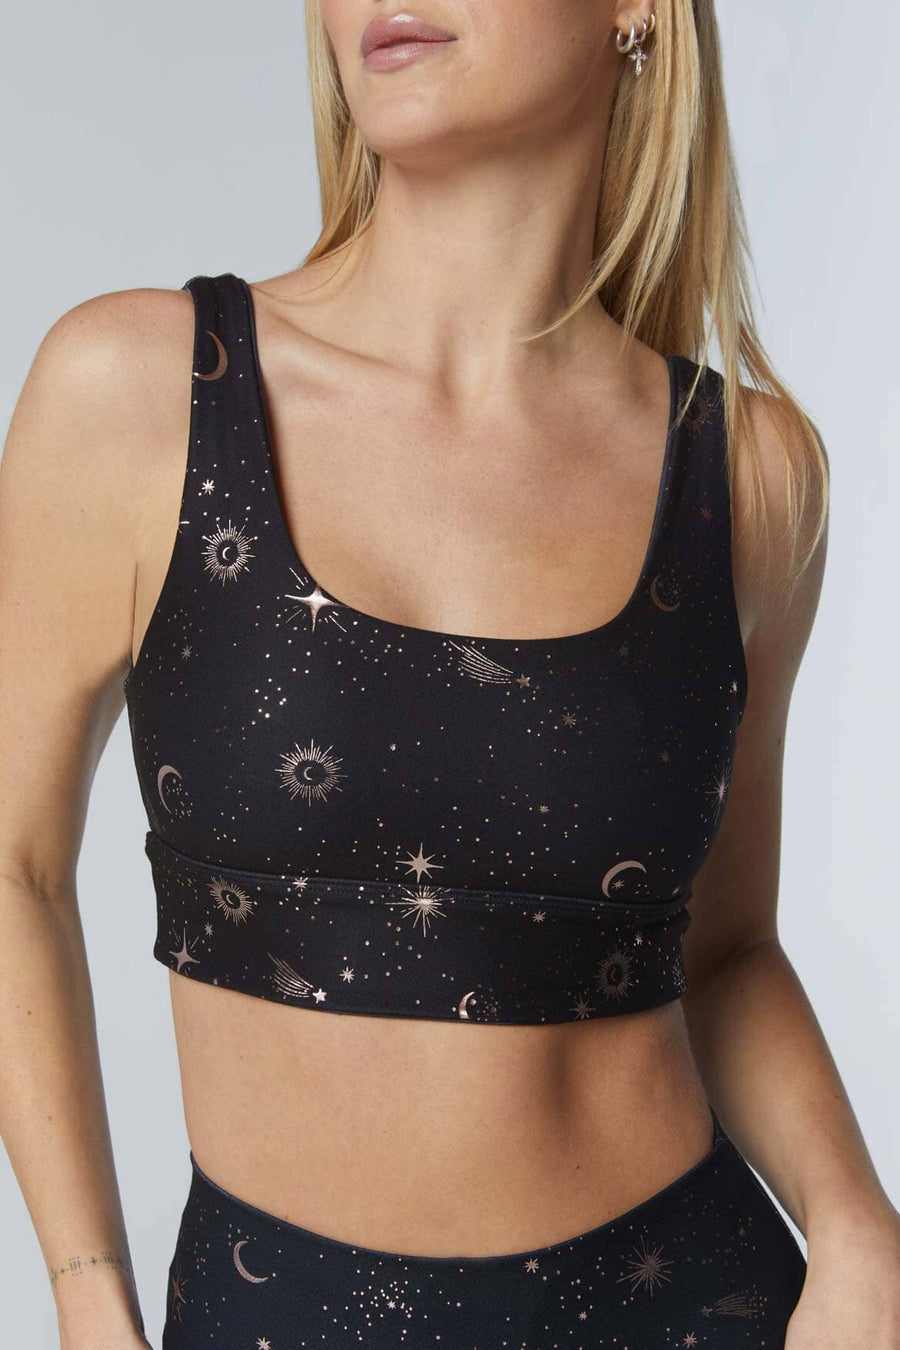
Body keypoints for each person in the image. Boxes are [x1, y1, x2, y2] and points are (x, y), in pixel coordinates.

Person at [1, 1, 898, 1346]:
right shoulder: (139, 394)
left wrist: (860, 1226)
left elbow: (724, 949)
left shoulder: (749, 479)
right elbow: (12, 867)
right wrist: (88, 1299)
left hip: (687, 1303)